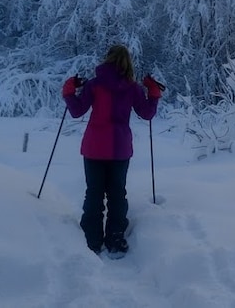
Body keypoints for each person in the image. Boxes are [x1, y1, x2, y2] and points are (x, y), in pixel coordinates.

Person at [62, 44, 162, 256]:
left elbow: (77, 111)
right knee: (117, 194)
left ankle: (92, 239)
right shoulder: (132, 88)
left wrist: (69, 90)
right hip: (120, 149)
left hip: (94, 148)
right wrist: (153, 93)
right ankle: (116, 239)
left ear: (107, 60)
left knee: (94, 193)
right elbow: (146, 114)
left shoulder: (95, 85)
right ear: (128, 62)